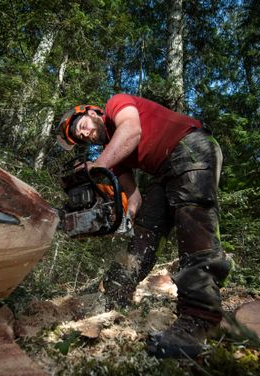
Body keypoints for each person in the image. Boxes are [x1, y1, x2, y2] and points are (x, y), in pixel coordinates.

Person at [57, 95, 231, 358]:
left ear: (92, 112)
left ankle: (199, 318)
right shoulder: (114, 159)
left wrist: (98, 166)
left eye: (81, 127)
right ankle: (115, 296)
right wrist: (108, 219)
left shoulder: (117, 104)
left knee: (192, 218)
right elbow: (133, 200)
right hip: (164, 170)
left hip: (191, 145)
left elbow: (132, 130)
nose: (85, 135)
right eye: (81, 138)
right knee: (146, 231)